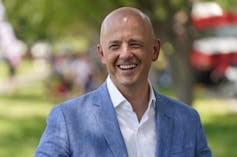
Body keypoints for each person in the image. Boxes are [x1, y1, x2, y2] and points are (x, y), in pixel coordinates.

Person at [35, 7, 211, 157]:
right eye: (114, 46)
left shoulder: (188, 120)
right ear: (102, 54)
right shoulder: (68, 119)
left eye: (135, 44)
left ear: (155, 50)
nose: (125, 54)